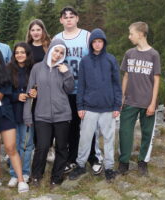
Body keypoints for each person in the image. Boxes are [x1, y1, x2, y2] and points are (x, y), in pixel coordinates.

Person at [54, 6, 103, 174]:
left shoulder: (87, 36)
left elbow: (97, 60)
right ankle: (72, 158)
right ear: (61, 20)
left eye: (71, 16)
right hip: (65, 90)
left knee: (89, 125)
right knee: (72, 127)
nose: (68, 19)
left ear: (77, 18)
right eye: (65, 16)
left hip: (85, 89)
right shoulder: (57, 39)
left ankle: (93, 158)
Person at [68, 28, 122, 182]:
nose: (97, 44)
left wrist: (117, 105)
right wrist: (80, 106)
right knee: (85, 138)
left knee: (109, 139)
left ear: (104, 43)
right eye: (95, 42)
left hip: (108, 107)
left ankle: (109, 168)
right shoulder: (85, 61)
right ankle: (80, 165)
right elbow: (81, 85)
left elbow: (117, 84)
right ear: (91, 44)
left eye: (100, 41)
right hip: (89, 107)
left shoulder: (111, 59)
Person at [24, 38, 74, 186]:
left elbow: (70, 89)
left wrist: (66, 74)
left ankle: (56, 178)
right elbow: (30, 92)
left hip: (63, 115)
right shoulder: (37, 68)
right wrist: (27, 115)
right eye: (56, 50)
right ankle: (36, 176)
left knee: (61, 147)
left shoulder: (65, 68)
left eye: (61, 52)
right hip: (42, 115)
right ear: (51, 49)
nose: (58, 54)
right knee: (42, 146)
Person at [0, 47, 29, 193]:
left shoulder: (6, 74)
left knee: (10, 148)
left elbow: (0, 96)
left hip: (5, 114)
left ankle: (21, 180)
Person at [118, 21, 161, 177]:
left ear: (141, 34)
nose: (129, 37)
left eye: (131, 33)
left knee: (147, 133)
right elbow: (126, 76)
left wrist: (152, 103)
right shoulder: (129, 53)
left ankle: (143, 163)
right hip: (129, 101)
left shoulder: (153, 54)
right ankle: (123, 163)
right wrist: (122, 97)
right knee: (124, 132)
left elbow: (156, 80)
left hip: (147, 103)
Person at [7, 42, 36, 187]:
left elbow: (39, 86)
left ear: (27, 54)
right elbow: (4, 92)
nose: (20, 55)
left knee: (28, 144)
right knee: (14, 145)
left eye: (22, 52)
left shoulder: (33, 69)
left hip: (29, 112)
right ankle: (14, 173)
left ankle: (25, 171)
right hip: (12, 111)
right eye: (17, 52)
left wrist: (35, 92)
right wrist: (16, 96)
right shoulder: (8, 69)